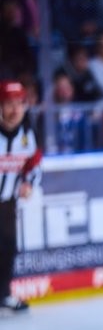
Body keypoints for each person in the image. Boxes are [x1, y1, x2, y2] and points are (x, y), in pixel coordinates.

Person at [0, 80, 42, 313]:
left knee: (7, 249)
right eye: (8, 104)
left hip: (7, 203)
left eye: (19, 103)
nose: (15, 110)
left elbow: (34, 163)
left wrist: (28, 182)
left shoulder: (28, 133)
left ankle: (4, 295)